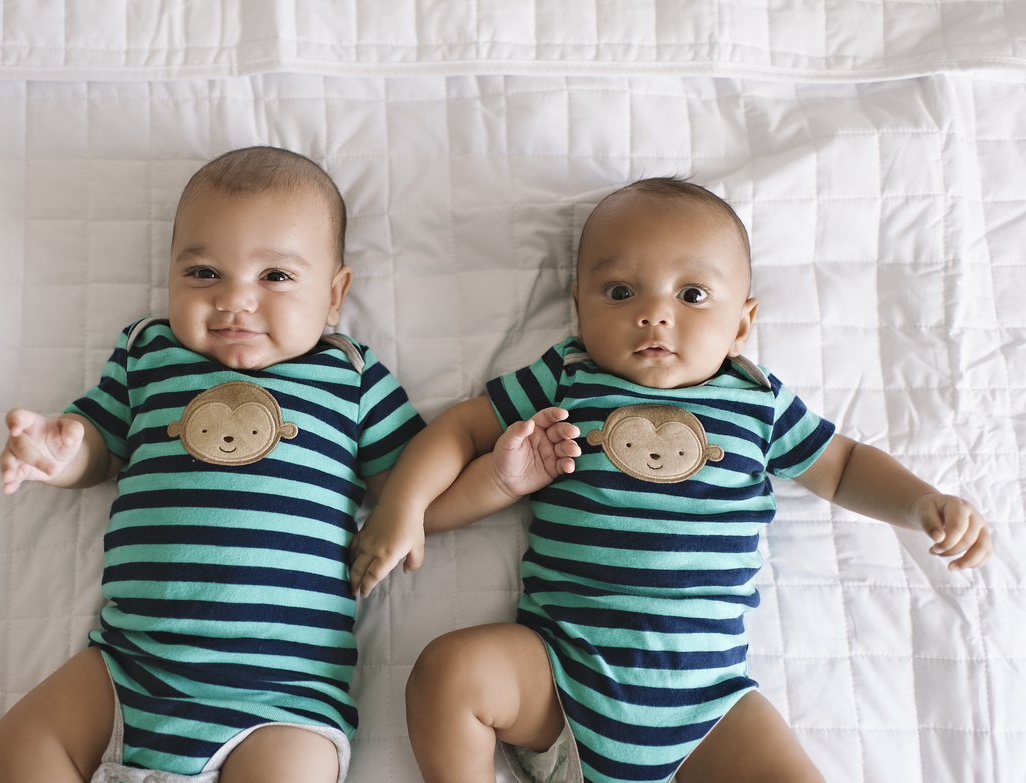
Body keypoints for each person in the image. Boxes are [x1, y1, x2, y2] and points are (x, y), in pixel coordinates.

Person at [347, 178, 993, 783]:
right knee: (446, 672)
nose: (655, 314)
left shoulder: (759, 401)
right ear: (579, 309)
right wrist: (405, 502)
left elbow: (845, 463)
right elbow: (462, 427)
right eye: (621, 292)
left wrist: (920, 501)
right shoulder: (569, 376)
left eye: (691, 295)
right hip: (561, 676)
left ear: (742, 322)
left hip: (707, 705)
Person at [0, 146, 426, 783]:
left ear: (334, 295)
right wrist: (61, 451)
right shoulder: (148, 351)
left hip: (285, 692)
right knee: (15, 746)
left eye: (275, 277)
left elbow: (409, 474)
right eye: (202, 274)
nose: (234, 302)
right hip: (130, 661)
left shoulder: (349, 373)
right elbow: (100, 448)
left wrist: (431, 498)